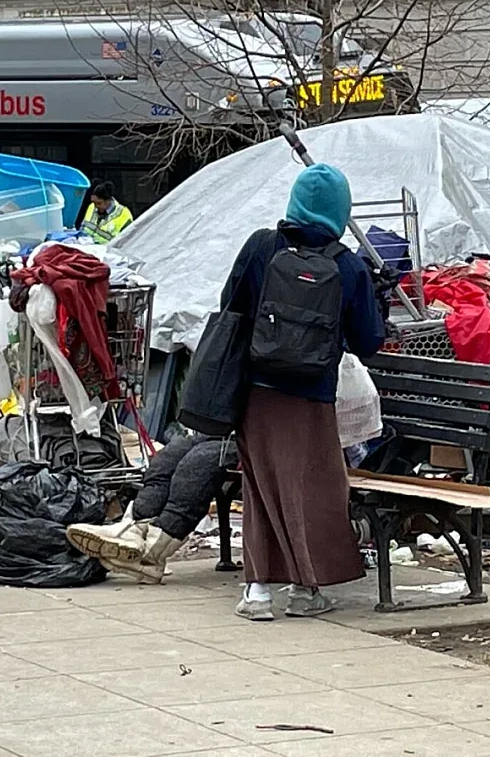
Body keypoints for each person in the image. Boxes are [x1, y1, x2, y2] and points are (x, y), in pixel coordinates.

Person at [223, 163, 385, 621]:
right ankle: (306, 590)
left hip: (256, 392)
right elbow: (369, 341)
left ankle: (256, 593)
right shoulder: (347, 264)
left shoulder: (260, 248)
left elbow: (229, 306)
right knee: (313, 488)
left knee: (260, 487)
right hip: (313, 395)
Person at [65, 435, 238, 582]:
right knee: (170, 456)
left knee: (198, 463)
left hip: (255, 435)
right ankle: (133, 529)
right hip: (224, 430)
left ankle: (150, 558)